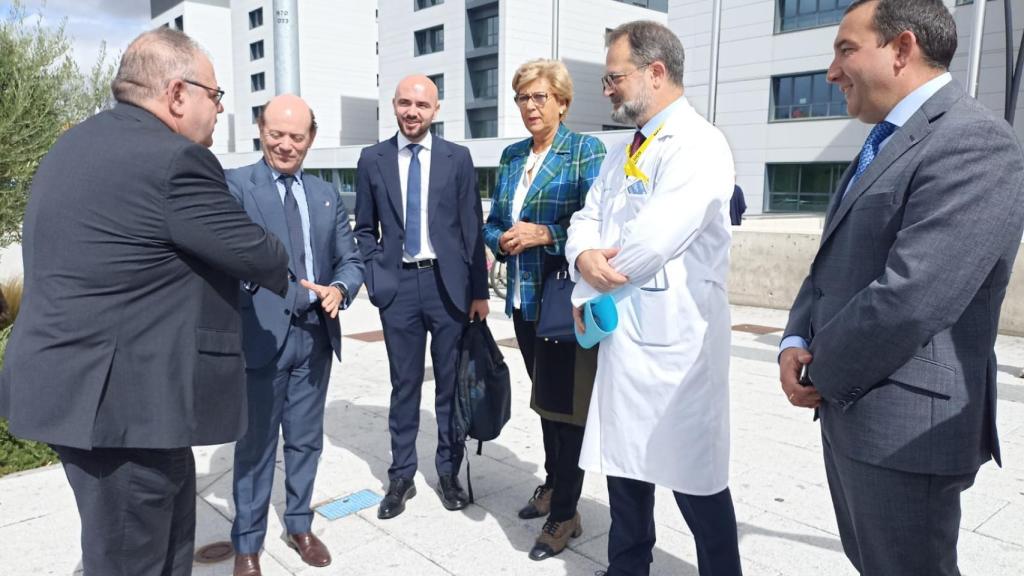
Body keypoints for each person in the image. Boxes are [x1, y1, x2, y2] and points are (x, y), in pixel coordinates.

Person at [0, 28, 288, 576]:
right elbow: (259, 253)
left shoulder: (74, 144)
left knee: (162, 548)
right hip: (122, 408)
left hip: (89, 396)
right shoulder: (173, 159)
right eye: (216, 96)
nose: (219, 110)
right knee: (133, 559)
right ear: (178, 93)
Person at [779, 1, 1024, 574]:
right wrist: (793, 338)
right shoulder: (885, 139)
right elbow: (831, 263)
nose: (831, 73)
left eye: (845, 50)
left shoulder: (974, 141)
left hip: (905, 430)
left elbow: (912, 297)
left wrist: (818, 370)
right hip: (854, 412)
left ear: (902, 48)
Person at [566, 21, 743, 576]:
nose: (608, 88)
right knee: (625, 475)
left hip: (677, 348)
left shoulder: (699, 144)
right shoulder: (623, 150)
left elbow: (652, 243)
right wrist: (579, 256)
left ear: (656, 72)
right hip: (625, 341)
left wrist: (594, 269)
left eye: (615, 77)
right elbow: (585, 218)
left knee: (696, 485)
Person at [226, 95, 364, 576]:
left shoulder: (326, 194)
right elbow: (228, 258)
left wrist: (340, 289)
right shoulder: (237, 186)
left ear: (312, 138)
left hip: (315, 336)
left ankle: (300, 524)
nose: (285, 145)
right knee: (257, 444)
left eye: (296, 136)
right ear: (260, 131)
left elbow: (350, 259)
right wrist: (280, 285)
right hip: (263, 335)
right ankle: (247, 544)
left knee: (306, 439)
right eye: (276, 134)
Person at [482, 59, 606, 561]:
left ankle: (566, 514)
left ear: (562, 102)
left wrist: (545, 233)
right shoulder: (512, 157)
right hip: (522, 301)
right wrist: (504, 239)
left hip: (561, 302)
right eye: (522, 98)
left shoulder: (583, 151)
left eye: (540, 98)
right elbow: (492, 223)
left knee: (566, 411)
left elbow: (595, 222)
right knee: (544, 404)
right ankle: (555, 485)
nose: (530, 107)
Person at [354, 75, 489, 520]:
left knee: (449, 385)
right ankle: (401, 476)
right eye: (405, 103)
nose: (413, 112)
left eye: (422, 105)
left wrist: (478, 293)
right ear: (394, 105)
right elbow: (363, 230)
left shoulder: (458, 158)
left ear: (436, 110)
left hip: (447, 287)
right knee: (404, 385)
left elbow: (471, 228)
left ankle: (448, 472)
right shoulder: (372, 159)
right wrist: (377, 276)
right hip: (399, 288)